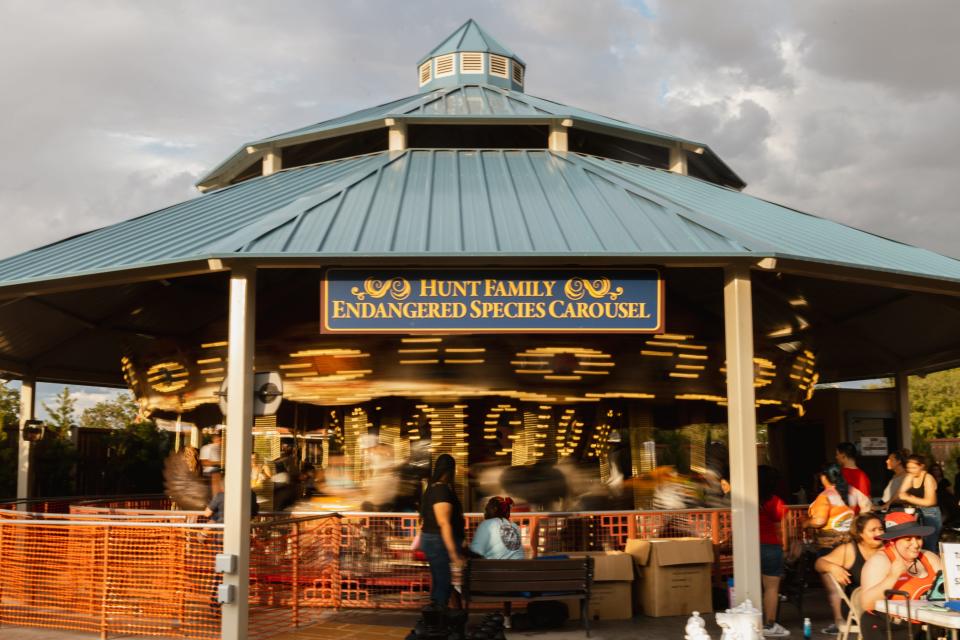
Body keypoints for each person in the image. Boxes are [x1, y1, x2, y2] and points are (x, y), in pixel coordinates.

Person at [857, 512, 941, 640]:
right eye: (908, 539)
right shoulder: (880, 561)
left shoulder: (929, 558)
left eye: (918, 538)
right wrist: (892, 576)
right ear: (892, 541)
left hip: (930, 626)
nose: (916, 544)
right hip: (890, 628)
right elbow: (867, 603)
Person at [814, 513, 885, 635]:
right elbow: (819, 563)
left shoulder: (888, 549)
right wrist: (832, 567)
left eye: (881, 529)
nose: (879, 533)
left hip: (886, 604)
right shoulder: (849, 551)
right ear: (860, 533)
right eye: (873, 530)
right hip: (859, 608)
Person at [419, 454, 466, 608]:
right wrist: (453, 554)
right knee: (443, 583)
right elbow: (444, 523)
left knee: (440, 580)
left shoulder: (433, 489)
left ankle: (438, 618)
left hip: (433, 540)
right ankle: (438, 621)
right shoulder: (441, 491)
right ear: (450, 470)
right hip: (438, 542)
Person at [804, 463, 873, 549]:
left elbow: (819, 521)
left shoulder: (825, 495)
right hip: (850, 540)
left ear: (824, 477)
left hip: (829, 543)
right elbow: (867, 507)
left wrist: (806, 524)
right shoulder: (853, 490)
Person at [758, 466, 790, 638]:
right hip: (770, 546)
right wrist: (785, 548)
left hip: (749, 547)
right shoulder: (775, 501)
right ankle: (769, 624)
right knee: (771, 588)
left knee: (751, 586)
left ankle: (748, 621)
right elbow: (782, 528)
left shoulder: (748, 499)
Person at [896, 453, 941, 551]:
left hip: (930, 513)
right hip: (915, 512)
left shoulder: (928, 478)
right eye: (908, 468)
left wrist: (909, 498)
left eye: (913, 468)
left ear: (922, 466)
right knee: (915, 544)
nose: (910, 470)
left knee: (930, 545)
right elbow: (900, 494)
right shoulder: (910, 476)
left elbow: (930, 502)